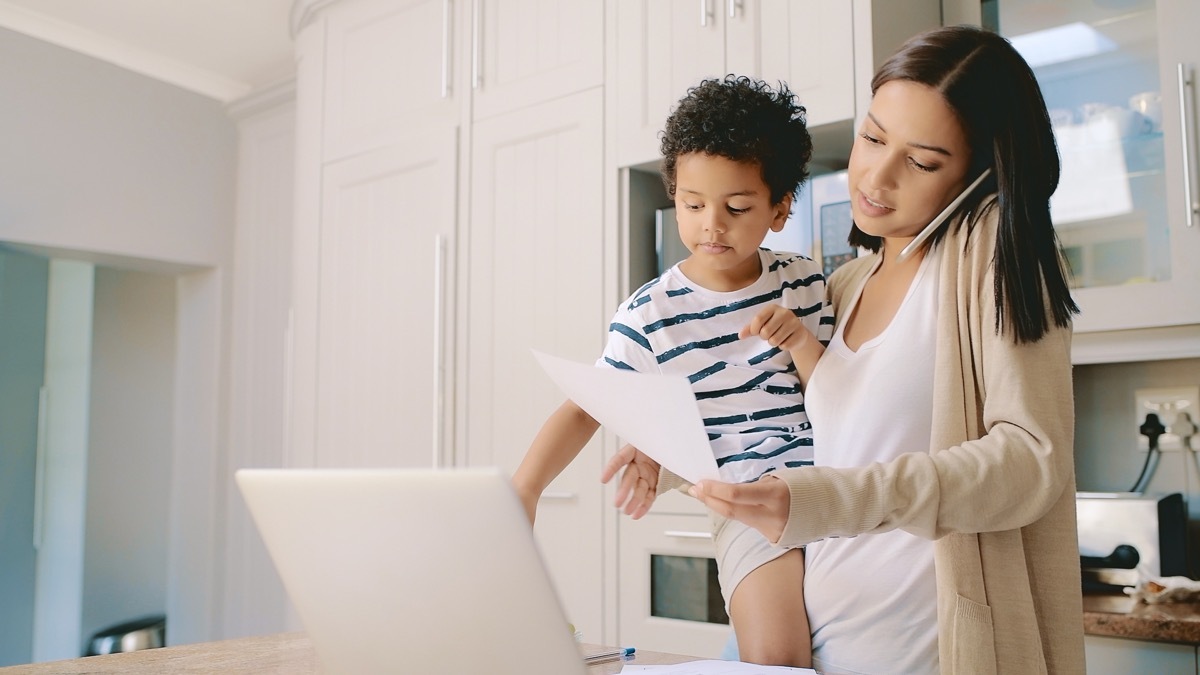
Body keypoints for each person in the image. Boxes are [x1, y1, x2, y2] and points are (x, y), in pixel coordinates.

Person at [603, 25, 1086, 674]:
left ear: (977, 173)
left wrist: (824, 500)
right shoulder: (842, 285)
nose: (876, 177)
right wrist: (664, 456)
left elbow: (1029, 460)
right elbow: (779, 427)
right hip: (816, 641)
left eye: (921, 161)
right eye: (873, 137)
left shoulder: (990, 251)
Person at [512, 75, 832, 668]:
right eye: (692, 204)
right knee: (779, 657)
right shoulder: (649, 313)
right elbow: (588, 403)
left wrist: (805, 346)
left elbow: (839, 399)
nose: (712, 224)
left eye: (737, 208)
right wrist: (526, 488)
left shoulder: (804, 281)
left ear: (781, 207)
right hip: (746, 501)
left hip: (833, 488)